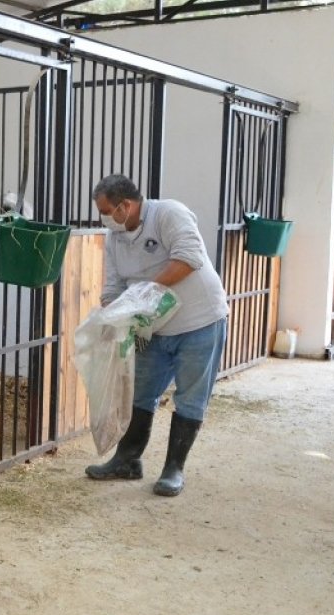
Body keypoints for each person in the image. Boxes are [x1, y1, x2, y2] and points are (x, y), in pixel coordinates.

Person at [84, 175, 229, 497]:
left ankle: (173, 469)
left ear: (126, 205)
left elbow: (189, 258)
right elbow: (112, 286)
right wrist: (113, 312)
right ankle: (127, 460)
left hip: (199, 322)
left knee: (190, 397)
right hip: (153, 327)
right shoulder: (115, 236)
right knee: (141, 393)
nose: (104, 218)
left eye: (107, 210)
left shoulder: (168, 214)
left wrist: (145, 295)